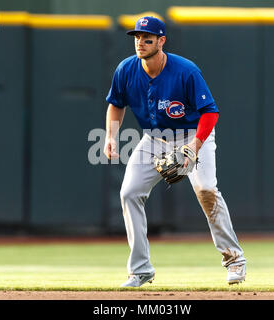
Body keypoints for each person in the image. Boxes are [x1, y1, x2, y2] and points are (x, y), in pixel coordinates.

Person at [104, 16, 246, 287]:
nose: (141, 42)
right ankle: (140, 269)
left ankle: (234, 259)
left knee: (206, 190)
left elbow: (210, 112)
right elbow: (116, 104)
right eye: (137, 37)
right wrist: (111, 136)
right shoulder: (125, 69)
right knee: (129, 193)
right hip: (153, 139)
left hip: (192, 135)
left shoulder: (186, 70)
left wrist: (194, 146)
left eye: (147, 38)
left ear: (161, 41)